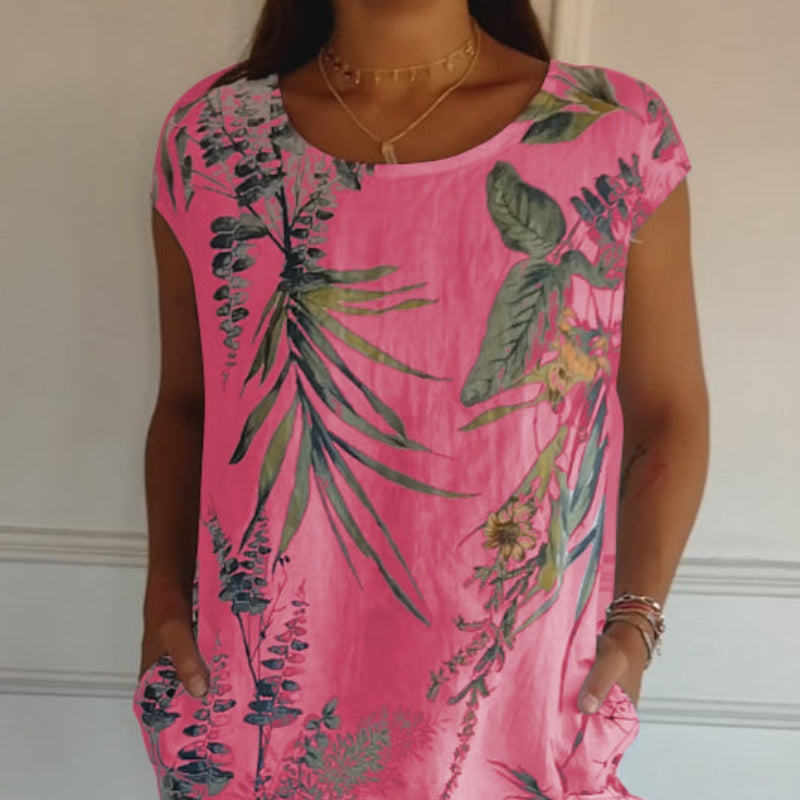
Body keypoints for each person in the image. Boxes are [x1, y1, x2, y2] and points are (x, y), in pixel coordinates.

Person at [133, 1, 709, 798]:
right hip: (263, 705)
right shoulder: (213, 140)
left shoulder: (614, 132)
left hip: (515, 712)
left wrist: (636, 625)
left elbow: (667, 412)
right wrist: (162, 602)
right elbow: (188, 405)